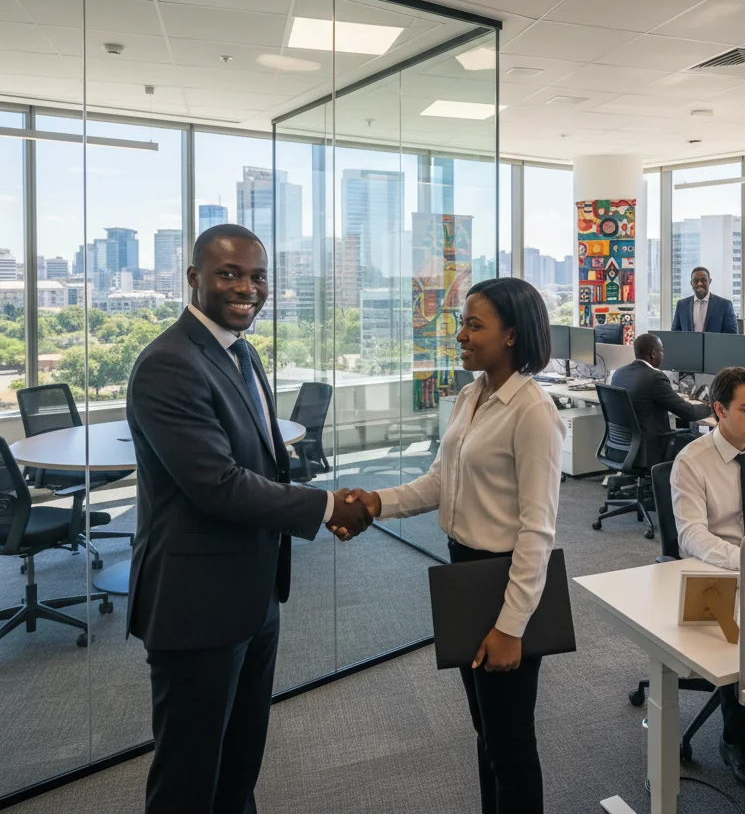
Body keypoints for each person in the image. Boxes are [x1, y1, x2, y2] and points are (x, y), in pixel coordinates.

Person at [126, 225, 372, 814]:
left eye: (258, 276)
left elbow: (264, 461)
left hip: (254, 592)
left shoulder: (240, 351)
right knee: (189, 777)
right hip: (197, 602)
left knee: (240, 763)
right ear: (193, 278)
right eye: (228, 274)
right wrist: (331, 506)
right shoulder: (169, 363)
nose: (247, 288)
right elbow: (219, 485)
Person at [343, 277, 564, 814]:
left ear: (512, 335)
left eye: (473, 324)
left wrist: (511, 627)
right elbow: (441, 482)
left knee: (511, 744)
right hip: (463, 573)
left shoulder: (532, 411)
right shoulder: (471, 396)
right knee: (486, 732)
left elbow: (539, 529)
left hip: (505, 580)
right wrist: (377, 502)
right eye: (461, 323)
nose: (459, 335)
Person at [670, 367, 745, 797]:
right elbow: (691, 535)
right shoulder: (691, 461)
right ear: (719, 410)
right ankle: (736, 740)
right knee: (737, 638)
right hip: (714, 573)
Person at [610, 333, 712, 466]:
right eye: (662, 351)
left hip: (623, 444)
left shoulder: (619, 373)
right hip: (652, 446)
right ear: (653, 354)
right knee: (703, 441)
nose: (663, 356)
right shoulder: (655, 378)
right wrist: (711, 407)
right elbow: (688, 413)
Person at [671, 266, 738, 334]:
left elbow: (731, 335)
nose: (699, 283)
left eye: (703, 280)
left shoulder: (725, 305)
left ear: (709, 281)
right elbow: (675, 333)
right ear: (691, 283)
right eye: (696, 281)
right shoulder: (682, 305)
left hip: (715, 344)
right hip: (688, 345)